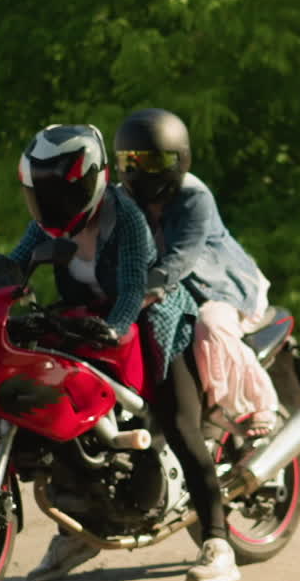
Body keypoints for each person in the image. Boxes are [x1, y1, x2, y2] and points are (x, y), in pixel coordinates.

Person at [7, 122, 241, 581]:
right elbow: (14, 265)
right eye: (45, 192)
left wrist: (116, 325)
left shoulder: (125, 216)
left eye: (66, 190)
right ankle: (80, 529)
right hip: (86, 324)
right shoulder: (44, 225)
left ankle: (217, 541)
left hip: (153, 322)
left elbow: (135, 283)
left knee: (178, 422)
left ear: (94, 180)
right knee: (62, 414)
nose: (55, 203)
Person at [114, 107, 279, 445]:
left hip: (217, 287)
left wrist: (142, 289)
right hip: (167, 290)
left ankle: (254, 407)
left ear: (180, 161)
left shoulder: (194, 196)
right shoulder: (120, 199)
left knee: (210, 325)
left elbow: (181, 257)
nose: (143, 172)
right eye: (133, 162)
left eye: (155, 163)